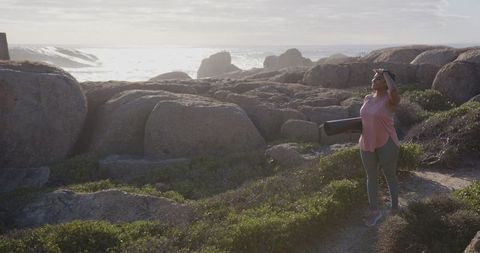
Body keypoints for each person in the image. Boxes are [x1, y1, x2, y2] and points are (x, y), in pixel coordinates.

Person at [359, 68, 401, 227]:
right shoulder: (368, 98)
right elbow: (365, 118)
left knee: (390, 176)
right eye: (374, 78)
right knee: (371, 177)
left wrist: (385, 73)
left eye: (377, 79)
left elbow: (394, 89)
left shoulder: (391, 100)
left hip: (387, 143)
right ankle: (374, 212)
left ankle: (395, 209)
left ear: (386, 83)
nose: (373, 80)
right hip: (366, 142)